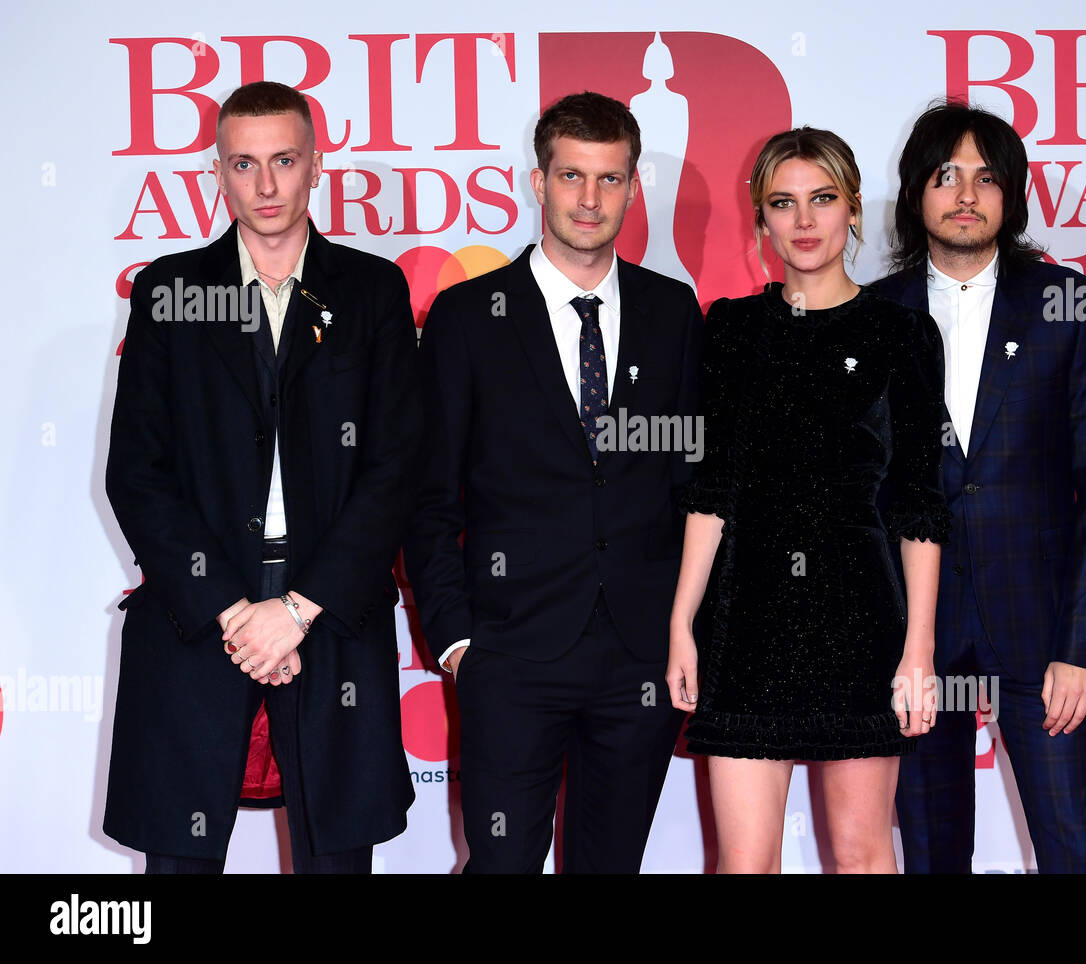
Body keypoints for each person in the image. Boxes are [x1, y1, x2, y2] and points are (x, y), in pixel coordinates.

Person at [104, 81, 419, 873]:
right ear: (218, 171)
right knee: (178, 861)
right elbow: (135, 473)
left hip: (332, 615)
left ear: (317, 165)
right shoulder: (168, 291)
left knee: (338, 858)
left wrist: (300, 608)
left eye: (284, 160)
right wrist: (236, 610)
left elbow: (395, 467)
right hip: (197, 612)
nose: (267, 185)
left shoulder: (374, 291)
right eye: (244, 164)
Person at [403, 91, 703, 874]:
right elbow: (429, 495)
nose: (590, 199)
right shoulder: (468, 316)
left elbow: (692, 484)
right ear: (537, 182)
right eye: (572, 177)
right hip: (509, 653)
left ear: (634, 188)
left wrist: (686, 628)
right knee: (501, 865)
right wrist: (460, 642)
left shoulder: (673, 313)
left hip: (638, 655)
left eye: (609, 180)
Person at [666, 127, 950, 874]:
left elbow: (919, 502)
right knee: (745, 862)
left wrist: (918, 648)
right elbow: (712, 487)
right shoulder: (731, 329)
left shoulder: (902, 333)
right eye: (782, 203)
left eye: (822, 200)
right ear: (760, 219)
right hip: (747, 618)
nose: (804, 221)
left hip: (861, 616)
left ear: (853, 209)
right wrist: (681, 622)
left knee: (860, 856)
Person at [869, 100, 1086, 873]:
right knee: (930, 852)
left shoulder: (1065, 302)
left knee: (1073, 851)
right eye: (946, 176)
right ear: (918, 191)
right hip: (915, 638)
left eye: (987, 177)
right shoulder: (877, 314)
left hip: (1043, 634)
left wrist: (1084, 647)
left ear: (1011, 195)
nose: (966, 194)